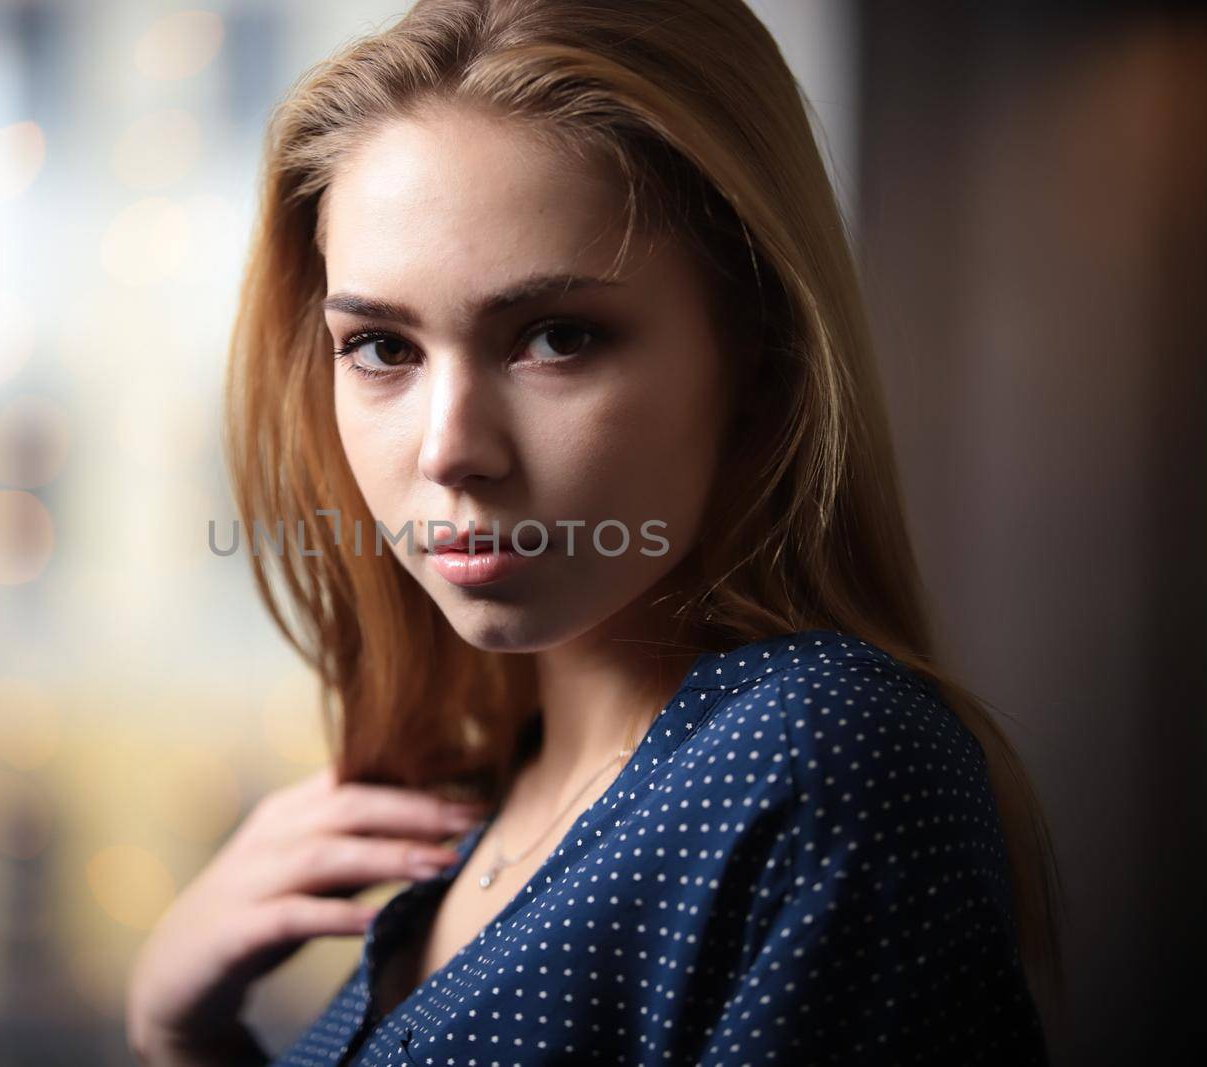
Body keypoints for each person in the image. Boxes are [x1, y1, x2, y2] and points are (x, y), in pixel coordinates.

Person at [125, 0, 1064, 1063]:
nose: (449, 450)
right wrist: (181, 1028)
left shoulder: (817, 763)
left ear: (756, 351)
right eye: (383, 347)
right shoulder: (480, 795)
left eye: (555, 337)